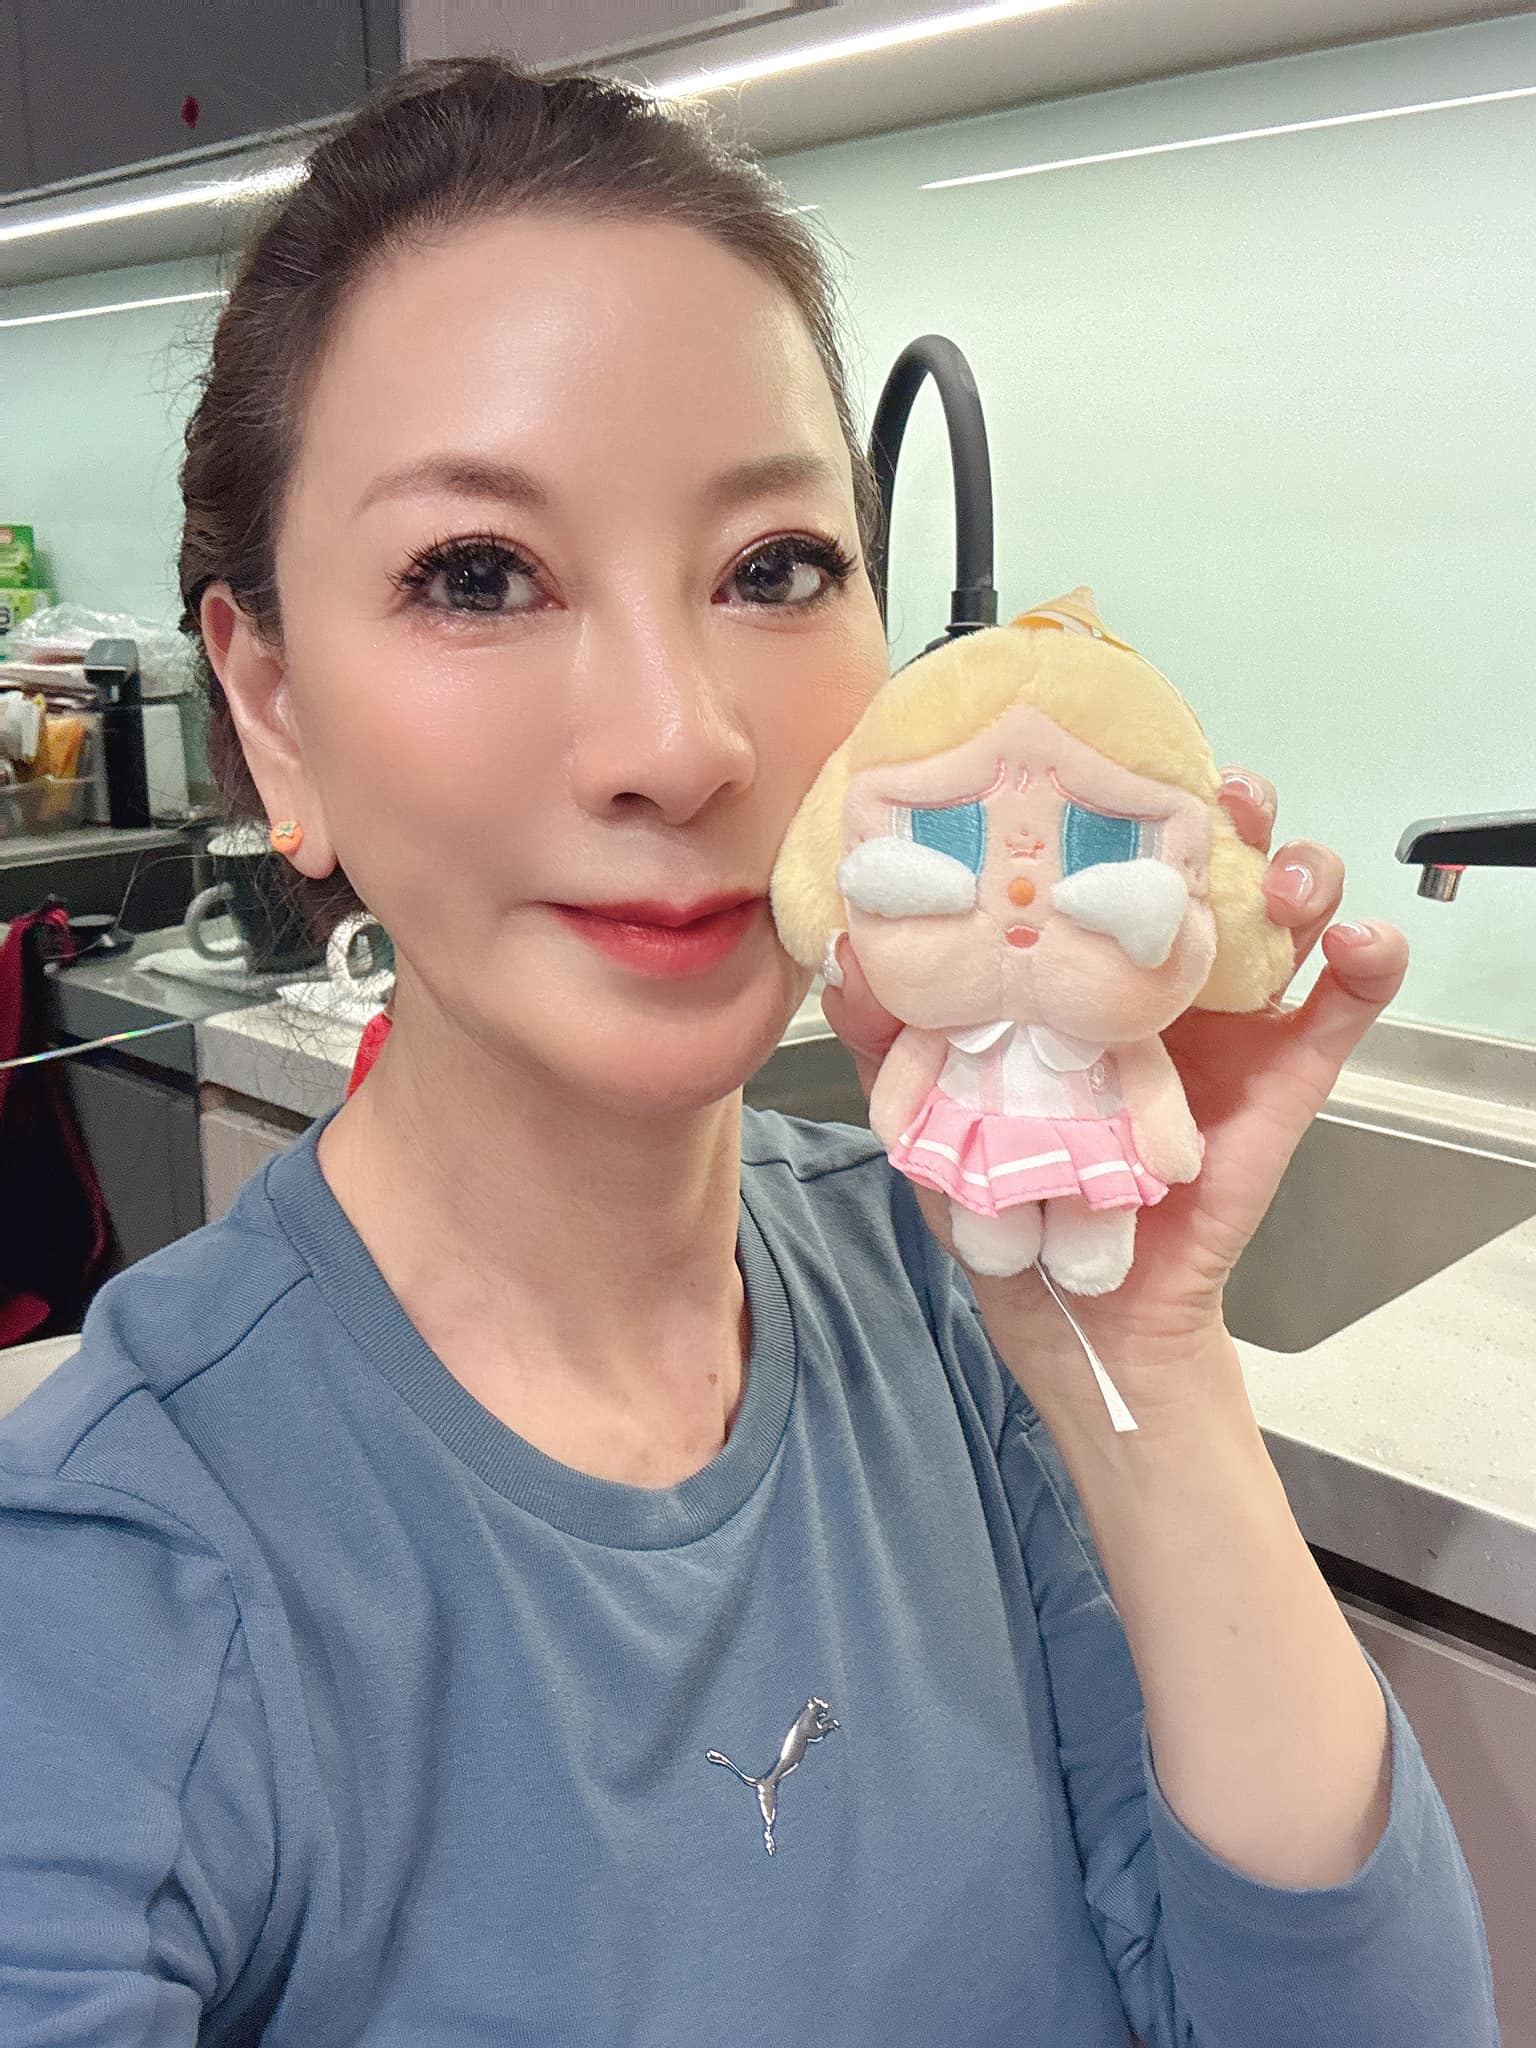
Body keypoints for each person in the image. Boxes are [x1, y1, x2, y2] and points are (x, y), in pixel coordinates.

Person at [0, 57, 1498, 2048]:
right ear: (271, 710)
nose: (682, 740)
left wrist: (1145, 1367)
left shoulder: (955, 1297)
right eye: (478, 574)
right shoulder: (112, 1575)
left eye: (775, 568)